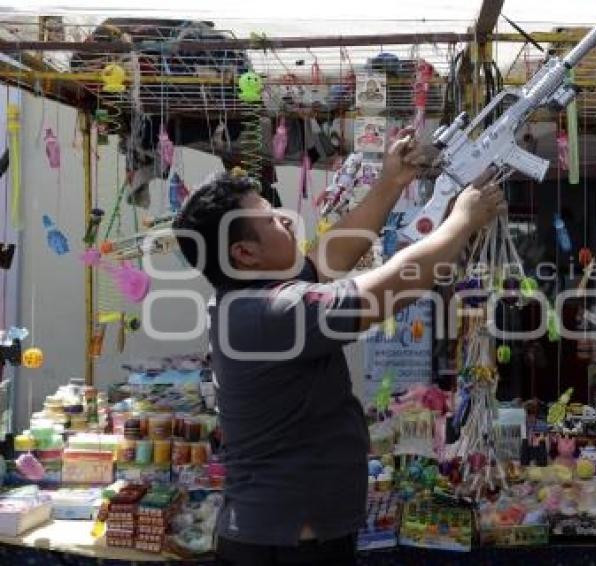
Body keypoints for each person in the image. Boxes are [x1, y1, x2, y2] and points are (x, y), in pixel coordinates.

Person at [173, 128, 506, 565]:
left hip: (293, 537)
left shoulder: (251, 297)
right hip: (287, 548)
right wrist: (462, 219)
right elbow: (398, 282)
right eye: (272, 220)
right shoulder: (273, 311)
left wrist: (391, 181)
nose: (286, 220)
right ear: (245, 253)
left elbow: (331, 256)